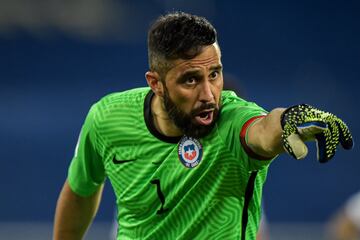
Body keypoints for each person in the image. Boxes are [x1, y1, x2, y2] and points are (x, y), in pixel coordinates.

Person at [53, 11, 353, 240]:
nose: (209, 95)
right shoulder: (107, 118)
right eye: (191, 80)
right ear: (155, 83)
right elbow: (81, 190)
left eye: (215, 74)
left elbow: (262, 130)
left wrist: (286, 120)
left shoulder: (232, 119)